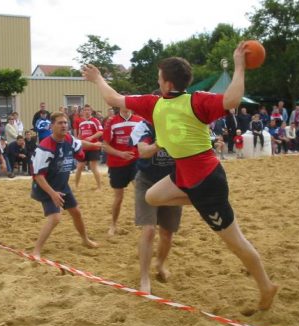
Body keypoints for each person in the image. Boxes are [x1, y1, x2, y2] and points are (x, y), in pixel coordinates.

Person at [83, 41, 278, 310]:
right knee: (152, 196)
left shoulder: (195, 101)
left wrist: (239, 66)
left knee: (236, 242)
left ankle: (266, 286)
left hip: (208, 180)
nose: (157, 81)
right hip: (185, 176)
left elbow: (232, 100)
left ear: (166, 83)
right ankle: (197, 202)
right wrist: (99, 79)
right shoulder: (155, 104)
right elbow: (114, 100)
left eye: (159, 77)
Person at [30, 112, 99, 257]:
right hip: (46, 187)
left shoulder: (68, 138)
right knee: (55, 218)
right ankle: (36, 251)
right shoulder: (45, 147)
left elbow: (80, 143)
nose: (64, 125)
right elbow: (38, 176)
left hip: (61, 185)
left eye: (65, 122)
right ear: (52, 126)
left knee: (76, 212)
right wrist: (53, 194)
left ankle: (85, 240)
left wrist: (94, 145)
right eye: (60, 123)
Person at [131, 120, 183, 293]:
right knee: (149, 229)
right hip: (146, 180)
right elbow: (143, 151)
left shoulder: (179, 123)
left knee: (167, 232)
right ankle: (144, 277)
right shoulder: (144, 126)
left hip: (172, 181)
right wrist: (162, 142)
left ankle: (160, 264)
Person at [102, 106, 143, 235]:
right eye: (123, 102)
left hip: (135, 161)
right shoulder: (112, 121)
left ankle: (145, 221)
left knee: (141, 189)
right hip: (117, 163)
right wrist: (120, 154)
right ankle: (113, 224)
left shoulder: (139, 120)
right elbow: (105, 146)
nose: (126, 106)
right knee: (119, 197)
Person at [73, 104, 103, 189]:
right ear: (83, 111)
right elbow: (79, 135)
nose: (86, 111)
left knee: (93, 167)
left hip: (93, 147)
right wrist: (78, 144)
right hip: (83, 148)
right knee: (79, 167)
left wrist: (91, 137)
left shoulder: (95, 120)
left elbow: (101, 132)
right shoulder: (81, 122)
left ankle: (99, 187)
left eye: (88, 110)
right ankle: (76, 186)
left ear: (91, 111)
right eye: (85, 110)